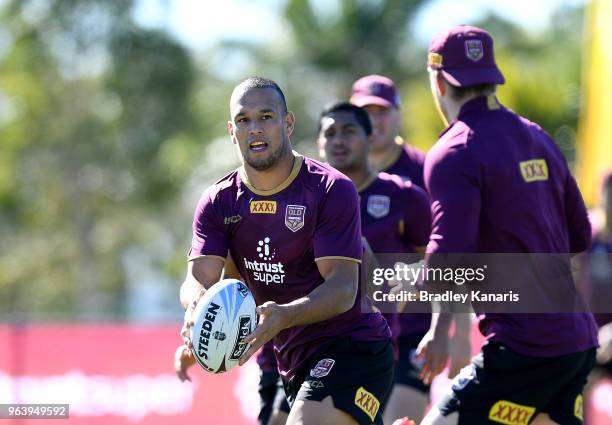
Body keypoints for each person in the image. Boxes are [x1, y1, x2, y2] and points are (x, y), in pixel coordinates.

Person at [176, 77, 394, 425]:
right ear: (232, 131)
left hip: (353, 347)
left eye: (265, 117)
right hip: (289, 359)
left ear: (287, 123)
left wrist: (284, 315)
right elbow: (197, 279)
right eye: (244, 120)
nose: (255, 129)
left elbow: (342, 289)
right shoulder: (218, 202)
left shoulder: (330, 189)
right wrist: (197, 313)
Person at [414, 25, 599, 425]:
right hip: (576, 341)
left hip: (525, 348)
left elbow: (448, 256)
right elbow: (581, 236)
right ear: (492, 78)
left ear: (440, 83)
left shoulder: (454, 150)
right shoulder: (538, 136)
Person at [316, 101, 469, 424]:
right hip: (333, 343)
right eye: (331, 133)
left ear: (368, 136)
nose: (340, 140)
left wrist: (453, 331)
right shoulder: (309, 198)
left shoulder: (408, 191)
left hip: (406, 337)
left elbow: (444, 262)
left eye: (350, 130)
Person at [350, 75, 426, 188]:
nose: (373, 121)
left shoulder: (423, 167)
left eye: (382, 111)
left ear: (398, 115)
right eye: (365, 112)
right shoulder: (339, 169)